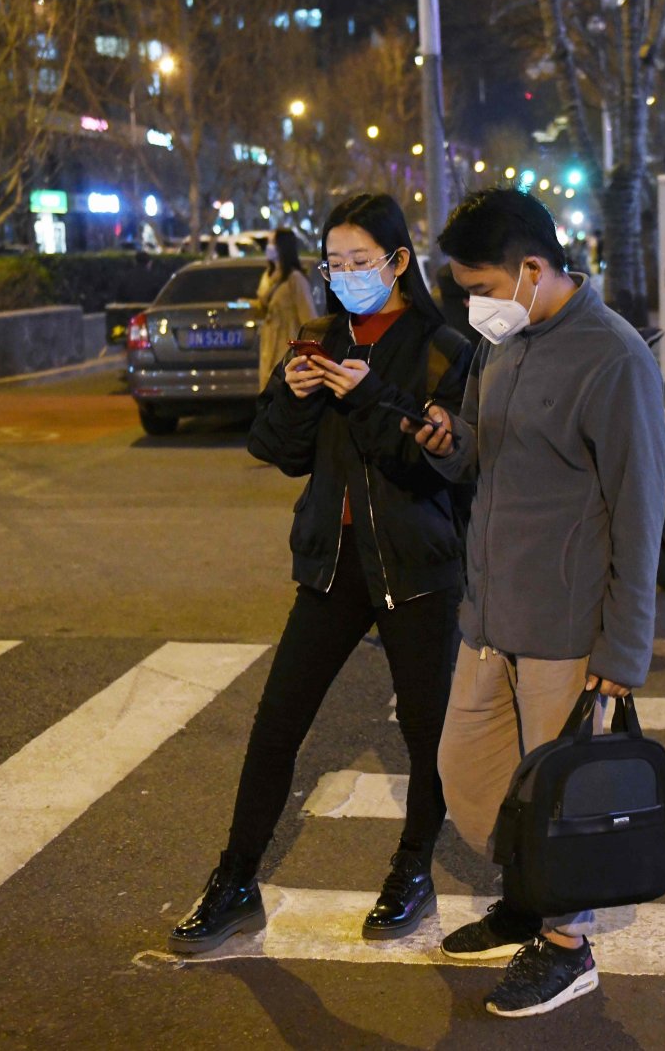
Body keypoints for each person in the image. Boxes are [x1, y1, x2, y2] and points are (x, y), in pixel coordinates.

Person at [168, 193, 474, 953]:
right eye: (334, 263)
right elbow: (276, 450)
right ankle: (235, 879)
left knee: (425, 729)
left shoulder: (443, 348)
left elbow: (428, 464)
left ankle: (412, 869)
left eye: (359, 263)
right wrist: (293, 397)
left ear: (398, 263)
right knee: (278, 722)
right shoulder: (317, 334)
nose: (344, 277)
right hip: (332, 564)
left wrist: (370, 395)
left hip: (416, 565)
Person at [412, 187, 665, 1018]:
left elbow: (640, 512)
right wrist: (451, 442)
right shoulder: (507, 343)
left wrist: (622, 656)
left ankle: (568, 946)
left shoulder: (615, 357)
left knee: (562, 807)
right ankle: (531, 897)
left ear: (532, 268)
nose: (473, 305)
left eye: (481, 286)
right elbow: (486, 453)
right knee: (470, 776)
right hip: (490, 617)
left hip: (566, 629)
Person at [254, 228, 317, 379]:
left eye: (272, 242)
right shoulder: (268, 276)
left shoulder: (295, 279)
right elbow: (264, 307)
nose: (268, 247)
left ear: (282, 246)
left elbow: (308, 319)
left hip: (287, 354)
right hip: (268, 350)